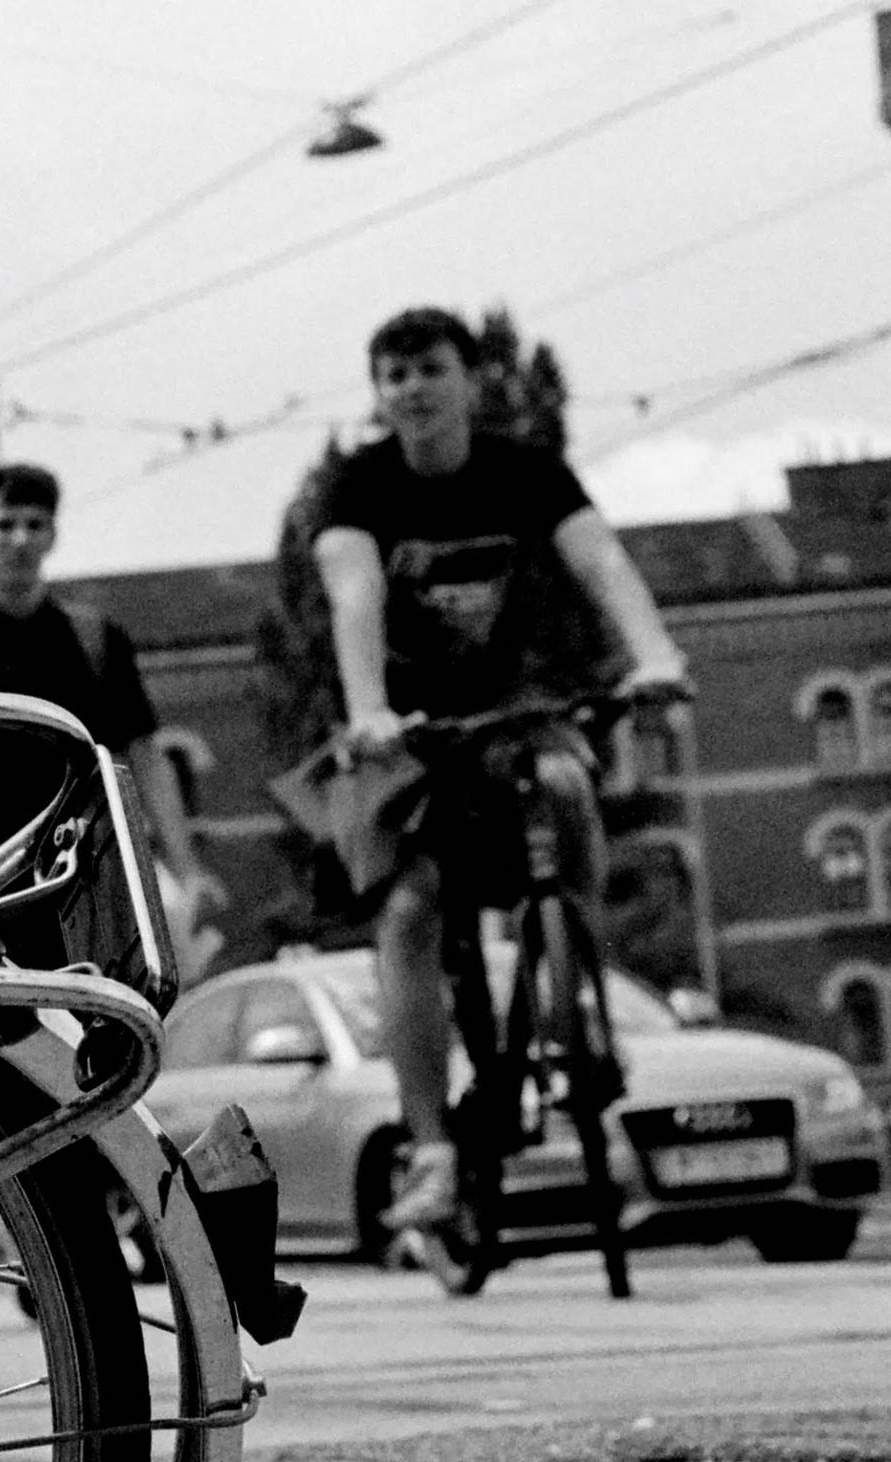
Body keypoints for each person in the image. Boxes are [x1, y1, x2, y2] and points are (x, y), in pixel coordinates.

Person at [311, 305, 690, 1233]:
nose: (413, 390)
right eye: (393, 375)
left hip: (510, 708)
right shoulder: (361, 484)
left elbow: (600, 560)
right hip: (399, 727)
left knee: (567, 784)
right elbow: (353, 591)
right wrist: (369, 711)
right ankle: (433, 1145)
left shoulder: (523, 470)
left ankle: (577, 999)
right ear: (379, 394)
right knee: (409, 907)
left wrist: (655, 656)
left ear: (470, 379)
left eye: (430, 368)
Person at [0, 460, 221, 969]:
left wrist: (185, 867)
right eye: (4, 525)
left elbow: (145, 758)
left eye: (35, 524)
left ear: (53, 534)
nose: (20, 539)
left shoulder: (96, 641)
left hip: (82, 883)